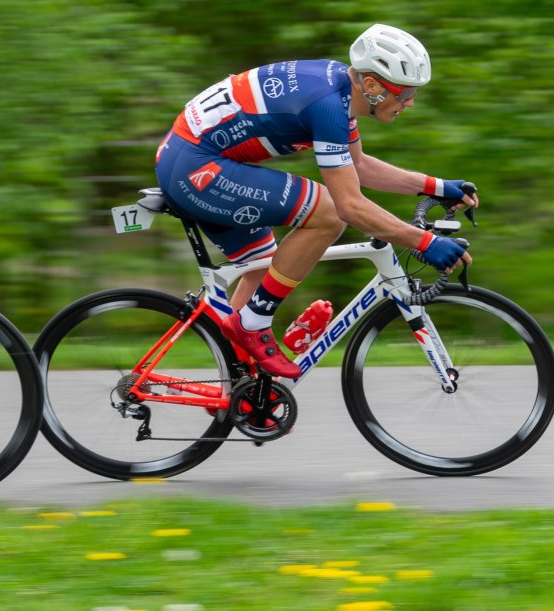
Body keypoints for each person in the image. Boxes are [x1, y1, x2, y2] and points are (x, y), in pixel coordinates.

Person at [154, 23, 476, 380]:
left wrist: (437, 186)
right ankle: (254, 322)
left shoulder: (337, 88)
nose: (411, 102)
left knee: (262, 268)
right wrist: (424, 242)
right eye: (406, 93)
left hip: (191, 160)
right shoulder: (327, 105)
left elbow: (360, 166)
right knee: (327, 213)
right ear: (371, 86)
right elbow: (349, 206)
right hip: (196, 168)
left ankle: (238, 384)